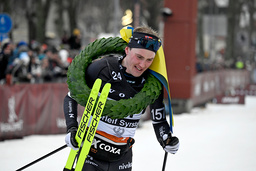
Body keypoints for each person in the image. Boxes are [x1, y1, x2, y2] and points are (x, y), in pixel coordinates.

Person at [63, 26, 179, 171]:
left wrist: (167, 140)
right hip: (90, 154)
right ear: (127, 50)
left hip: (122, 158)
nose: (142, 65)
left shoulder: (152, 84)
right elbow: (71, 97)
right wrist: (72, 127)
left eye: (149, 60)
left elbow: (159, 120)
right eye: (139, 57)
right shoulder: (102, 68)